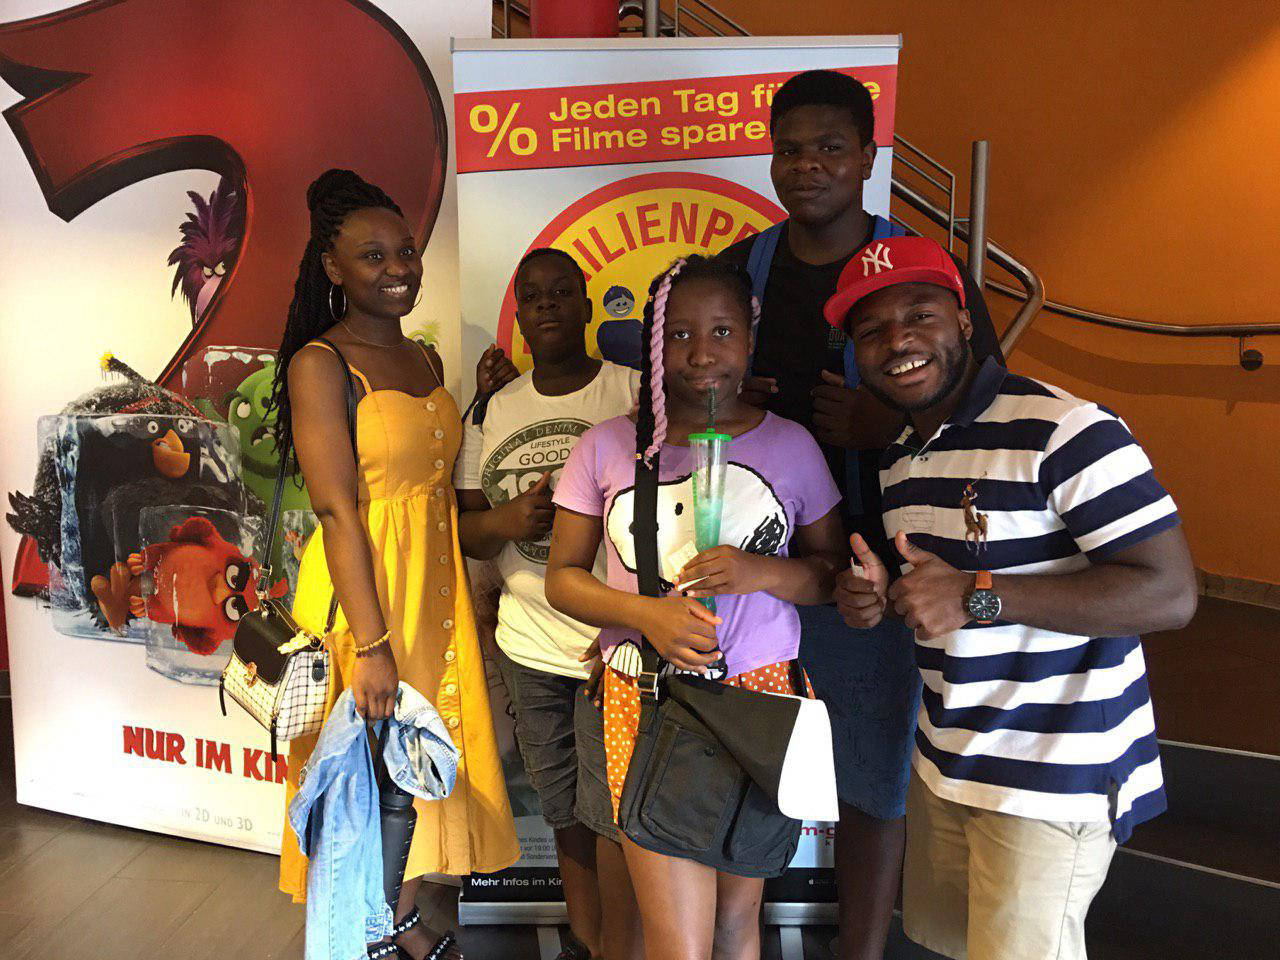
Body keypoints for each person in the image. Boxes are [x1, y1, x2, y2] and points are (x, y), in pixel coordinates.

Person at [828, 235, 1196, 960]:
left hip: (1052, 778)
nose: (897, 340)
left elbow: (1171, 593)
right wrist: (879, 597)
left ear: (965, 321)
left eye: (920, 314)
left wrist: (977, 596)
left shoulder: (1067, 429)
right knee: (948, 943)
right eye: (871, 330)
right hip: (947, 761)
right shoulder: (902, 457)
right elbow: (939, 592)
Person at [716, 68, 1006, 959]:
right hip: (758, 573)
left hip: (876, 577)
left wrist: (891, 426)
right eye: (790, 150)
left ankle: (861, 951)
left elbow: (986, 398)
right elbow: (677, 384)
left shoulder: (924, 272)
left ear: (869, 157)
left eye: (831, 148)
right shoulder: (738, 270)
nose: (808, 166)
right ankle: (733, 937)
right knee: (749, 766)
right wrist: (728, 398)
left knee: (872, 777)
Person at [544, 256, 847, 960]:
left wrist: (760, 570)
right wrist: (647, 616)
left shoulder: (791, 445)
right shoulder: (607, 447)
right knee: (677, 941)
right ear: (653, 343)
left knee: (738, 923)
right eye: (679, 334)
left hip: (761, 701)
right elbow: (562, 579)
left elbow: (829, 575)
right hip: (647, 699)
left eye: (721, 331)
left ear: (750, 336)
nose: (702, 353)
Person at [271, 169, 519, 960]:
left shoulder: (424, 358)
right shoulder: (320, 364)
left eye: (406, 251)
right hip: (367, 595)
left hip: (433, 589)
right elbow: (338, 510)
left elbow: (428, 473)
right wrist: (372, 647)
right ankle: (360, 936)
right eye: (372, 256)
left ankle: (397, 919)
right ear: (333, 268)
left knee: (413, 768)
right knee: (363, 780)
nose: (398, 268)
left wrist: (482, 402)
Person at [456, 247, 642, 960]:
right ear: (519, 316)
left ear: (588, 306)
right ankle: (586, 945)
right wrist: (508, 522)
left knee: (613, 816)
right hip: (529, 644)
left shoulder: (630, 391)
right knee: (563, 812)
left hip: (612, 648)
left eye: (562, 293)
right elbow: (466, 528)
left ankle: (620, 947)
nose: (547, 306)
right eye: (532, 297)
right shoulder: (496, 408)